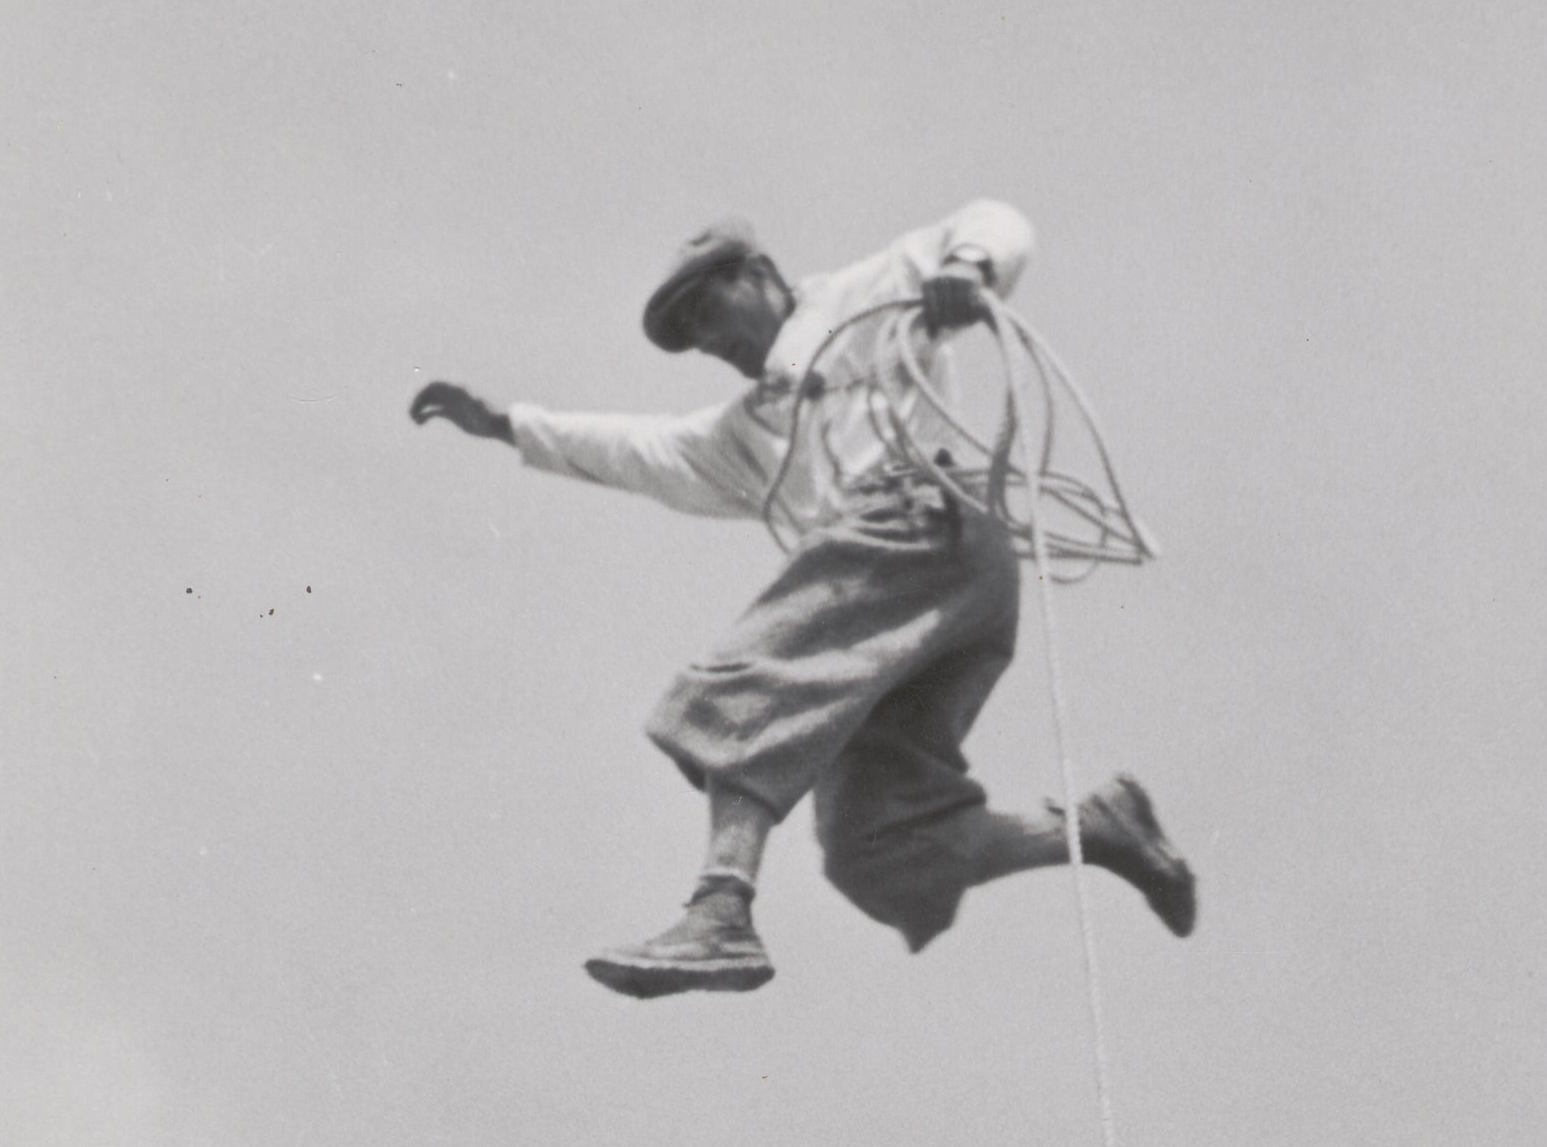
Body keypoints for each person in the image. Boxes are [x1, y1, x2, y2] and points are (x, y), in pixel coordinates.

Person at [411, 201, 1198, 1000]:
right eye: (688, 330)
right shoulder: (747, 433)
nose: (705, 338)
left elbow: (993, 219)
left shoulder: (860, 300)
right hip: (913, 599)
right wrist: (508, 426)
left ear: (758, 274)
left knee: (744, 684)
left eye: (706, 307)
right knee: (875, 843)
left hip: (921, 521)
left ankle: (719, 906)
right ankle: (1095, 831)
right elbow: (640, 451)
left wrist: (967, 268)